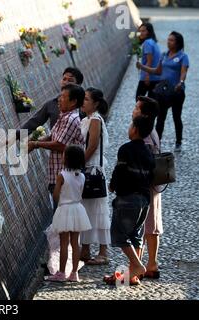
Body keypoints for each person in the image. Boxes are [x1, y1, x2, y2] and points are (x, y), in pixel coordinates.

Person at [104, 116, 155, 286]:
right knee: (135, 236)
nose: (129, 128)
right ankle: (131, 276)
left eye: (131, 125)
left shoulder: (125, 149)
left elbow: (120, 171)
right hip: (144, 200)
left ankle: (138, 266)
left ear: (135, 129)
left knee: (119, 235)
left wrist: (112, 186)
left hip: (127, 198)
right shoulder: (148, 152)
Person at [28, 84, 85, 205]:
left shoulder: (72, 119)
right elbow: (52, 136)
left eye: (63, 97)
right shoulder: (64, 116)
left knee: (61, 212)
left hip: (65, 176)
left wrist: (36, 144)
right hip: (56, 173)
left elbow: (60, 145)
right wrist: (33, 142)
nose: (59, 99)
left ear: (73, 102)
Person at [137, 31, 189, 152]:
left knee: (177, 116)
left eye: (171, 40)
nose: (168, 42)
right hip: (163, 92)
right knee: (160, 117)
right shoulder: (164, 55)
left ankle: (178, 141)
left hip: (177, 92)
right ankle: (157, 141)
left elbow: (183, 71)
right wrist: (143, 67)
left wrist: (180, 83)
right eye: (168, 39)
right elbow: (157, 71)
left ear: (177, 43)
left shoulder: (183, 56)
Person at [45, 145, 92, 282]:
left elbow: (55, 195)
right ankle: (74, 273)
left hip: (65, 209)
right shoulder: (82, 176)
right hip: (77, 209)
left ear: (67, 159)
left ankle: (61, 272)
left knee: (64, 243)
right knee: (75, 243)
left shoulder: (62, 175)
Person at [79, 88, 111, 265]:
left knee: (98, 210)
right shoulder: (86, 119)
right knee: (86, 209)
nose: (83, 102)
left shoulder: (95, 120)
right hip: (87, 169)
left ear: (96, 103)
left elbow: (91, 148)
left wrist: (78, 164)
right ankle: (85, 249)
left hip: (93, 170)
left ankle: (103, 251)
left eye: (86, 99)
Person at [132, 96, 162, 279]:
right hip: (154, 185)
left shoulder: (145, 136)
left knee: (140, 225)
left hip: (145, 186)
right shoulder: (153, 131)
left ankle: (138, 266)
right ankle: (151, 263)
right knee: (152, 224)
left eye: (137, 108)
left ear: (144, 114)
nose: (133, 110)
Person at [21, 67, 84, 133]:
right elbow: (33, 123)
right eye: (64, 79)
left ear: (78, 85)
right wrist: (11, 139)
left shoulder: (83, 109)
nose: (66, 82)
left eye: (70, 80)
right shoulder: (52, 104)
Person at [135, 23, 161, 101]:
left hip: (148, 77)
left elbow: (150, 60)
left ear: (149, 32)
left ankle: (141, 113)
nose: (141, 33)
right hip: (156, 77)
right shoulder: (153, 42)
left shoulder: (147, 43)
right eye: (140, 31)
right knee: (151, 102)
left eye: (143, 31)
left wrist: (147, 76)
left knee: (138, 100)